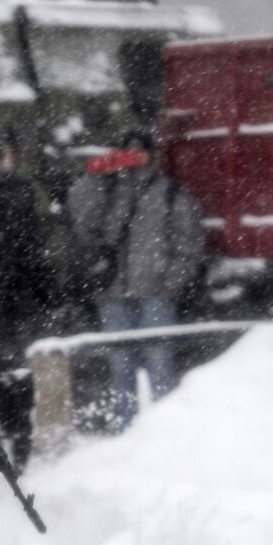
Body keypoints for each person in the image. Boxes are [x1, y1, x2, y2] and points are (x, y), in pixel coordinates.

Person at [66, 128, 205, 431]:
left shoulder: (169, 192)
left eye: (139, 150)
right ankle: (124, 430)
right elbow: (82, 220)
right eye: (126, 150)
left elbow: (189, 243)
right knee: (120, 367)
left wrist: (171, 284)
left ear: (151, 154)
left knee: (160, 364)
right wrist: (95, 177)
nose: (133, 156)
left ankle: (166, 431)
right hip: (113, 292)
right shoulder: (107, 189)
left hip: (156, 293)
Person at [0, 128, 62, 469]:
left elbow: (41, 239)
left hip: (22, 291)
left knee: (20, 367)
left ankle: (20, 434)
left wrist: (45, 282)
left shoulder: (21, 190)